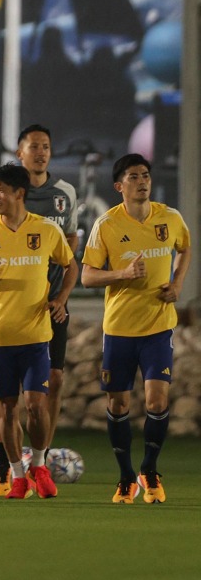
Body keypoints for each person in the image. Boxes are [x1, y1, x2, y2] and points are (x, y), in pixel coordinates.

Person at [0, 164, 78, 500]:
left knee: (35, 406)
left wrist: (61, 298)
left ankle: (39, 464)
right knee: (8, 408)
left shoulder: (45, 230)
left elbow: (70, 265)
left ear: (19, 194)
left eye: (0, 190)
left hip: (36, 335)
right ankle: (16, 476)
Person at [81, 153, 190, 504]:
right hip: (119, 330)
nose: (142, 181)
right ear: (119, 186)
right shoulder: (106, 225)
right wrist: (122, 275)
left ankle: (149, 469)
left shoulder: (170, 218)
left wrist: (177, 283)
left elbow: (185, 248)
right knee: (118, 404)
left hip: (158, 327)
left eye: (145, 175)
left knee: (158, 399)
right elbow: (87, 276)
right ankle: (126, 476)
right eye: (133, 176)